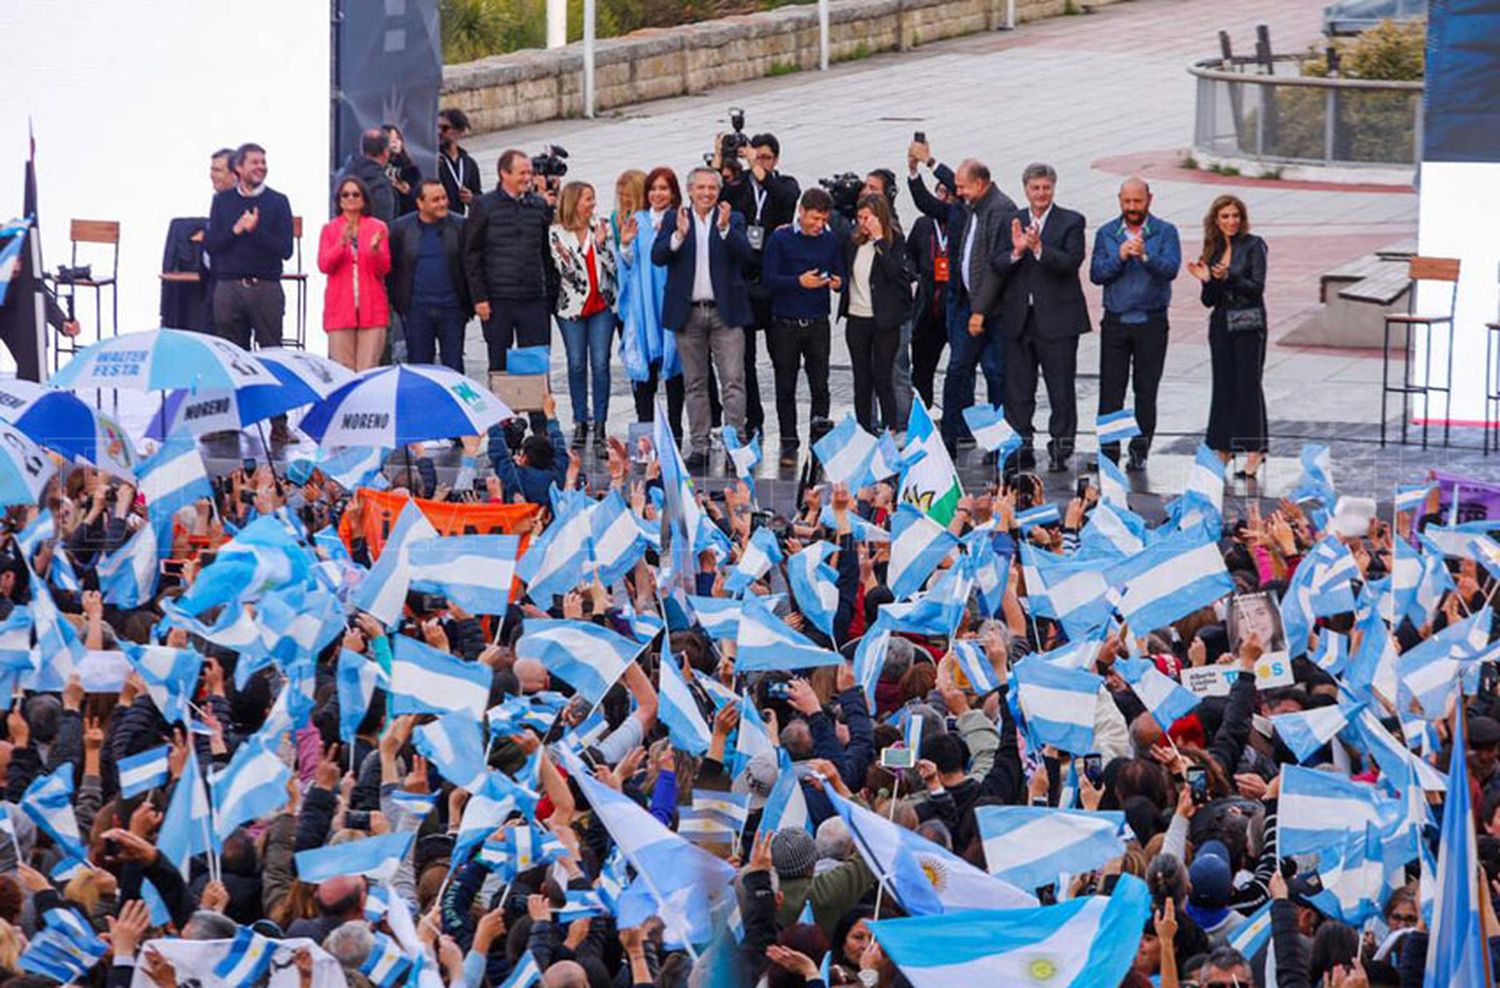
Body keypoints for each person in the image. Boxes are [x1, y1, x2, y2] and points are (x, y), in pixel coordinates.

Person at [991, 162, 1090, 474]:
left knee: (1060, 388)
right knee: (1018, 389)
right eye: (1035, 188)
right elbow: (997, 262)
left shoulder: (1071, 221)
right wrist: (1018, 251)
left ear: (1053, 188)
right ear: (1026, 189)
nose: (1041, 194)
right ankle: (1021, 446)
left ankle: (1061, 448)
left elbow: (1070, 262)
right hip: (1019, 318)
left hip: (1058, 319)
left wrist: (1038, 249)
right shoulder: (1012, 220)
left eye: (1046, 187)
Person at [651, 166, 752, 470]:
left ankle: (735, 443)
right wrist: (678, 236)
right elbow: (658, 256)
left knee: (733, 381)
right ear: (691, 190)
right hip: (689, 312)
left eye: (712, 188)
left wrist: (724, 230)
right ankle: (700, 445)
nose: (707, 193)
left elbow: (746, 256)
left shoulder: (732, 218)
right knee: (695, 382)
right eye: (701, 188)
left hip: (725, 312)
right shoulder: (675, 217)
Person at [1089, 177, 1181, 471]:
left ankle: (1140, 449)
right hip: (1116, 322)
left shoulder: (1165, 232)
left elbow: (1170, 270)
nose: (1132, 207)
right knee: (1111, 390)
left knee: (1146, 389)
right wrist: (1120, 255)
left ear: (1149, 200)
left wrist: (1144, 256)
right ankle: (1109, 450)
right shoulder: (1107, 233)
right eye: (1126, 201)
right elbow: (1097, 274)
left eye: (1137, 201)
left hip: (1151, 322)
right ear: (1120, 200)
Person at [723, 133, 800, 440]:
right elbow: (721, 198)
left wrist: (761, 171)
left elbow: (785, 198)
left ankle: (788, 427)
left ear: (775, 160)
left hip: (774, 285)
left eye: (766, 158)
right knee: (745, 361)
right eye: (757, 156)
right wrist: (723, 159)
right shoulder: (741, 185)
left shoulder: (785, 184)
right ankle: (753, 418)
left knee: (782, 359)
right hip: (745, 283)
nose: (760, 163)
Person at [936, 154, 1014, 454]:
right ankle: (949, 439)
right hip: (969, 305)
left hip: (991, 311)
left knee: (996, 375)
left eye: (963, 186)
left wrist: (979, 311)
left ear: (980, 184)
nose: (959, 192)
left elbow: (997, 267)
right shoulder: (974, 208)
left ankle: (1000, 445)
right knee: (957, 370)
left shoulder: (1001, 209)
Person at [1188, 194, 1268, 478]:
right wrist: (1208, 280)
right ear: (1216, 221)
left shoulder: (1254, 245)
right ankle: (1223, 445)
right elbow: (1208, 300)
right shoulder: (1212, 250)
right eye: (1225, 216)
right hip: (1221, 323)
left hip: (1248, 323)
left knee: (1248, 384)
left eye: (1235, 216)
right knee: (1223, 386)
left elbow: (1256, 287)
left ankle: (1255, 448)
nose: (1231, 221)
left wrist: (1229, 277)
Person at [762, 187, 844, 465]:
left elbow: (839, 271)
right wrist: (798, 281)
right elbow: (769, 279)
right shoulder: (781, 238)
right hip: (785, 323)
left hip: (817, 323)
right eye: (814, 219)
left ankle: (819, 442)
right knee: (785, 385)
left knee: (820, 385)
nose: (818, 225)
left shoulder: (829, 240)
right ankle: (788, 443)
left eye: (823, 220)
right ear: (801, 212)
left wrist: (836, 282)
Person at [462, 149, 553, 379]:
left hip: (533, 296)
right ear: (504, 173)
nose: (527, 178)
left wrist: (549, 292)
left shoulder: (538, 206)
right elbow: (472, 254)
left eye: (530, 173)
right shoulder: (483, 205)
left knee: (534, 360)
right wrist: (479, 297)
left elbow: (545, 251)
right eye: (522, 173)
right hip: (498, 298)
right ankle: (504, 413)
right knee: (499, 361)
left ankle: (538, 414)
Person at [204, 142, 294, 357]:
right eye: (254, 162)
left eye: (263, 162)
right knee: (231, 355)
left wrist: (255, 230)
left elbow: (285, 250)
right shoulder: (222, 201)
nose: (261, 167)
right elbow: (213, 245)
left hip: (265, 287)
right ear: (239, 167)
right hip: (229, 287)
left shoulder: (278, 201)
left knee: (271, 353)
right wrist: (236, 230)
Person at [618, 167, 687, 439]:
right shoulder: (638, 220)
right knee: (645, 372)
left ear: (673, 192)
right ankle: (645, 436)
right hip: (644, 305)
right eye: (653, 188)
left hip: (671, 302)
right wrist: (624, 245)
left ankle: (675, 433)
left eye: (664, 188)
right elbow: (629, 264)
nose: (658, 194)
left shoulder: (681, 218)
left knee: (674, 370)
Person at [549, 181, 617, 448]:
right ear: (574, 202)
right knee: (576, 363)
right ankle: (580, 420)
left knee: (600, 363)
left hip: (602, 307)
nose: (592, 204)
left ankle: (600, 423)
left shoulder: (602, 227)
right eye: (588, 199)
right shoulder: (556, 233)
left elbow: (613, 267)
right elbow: (569, 271)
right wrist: (590, 249)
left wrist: (600, 246)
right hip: (572, 309)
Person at [840, 194, 912, 435]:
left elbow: (896, 273)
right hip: (857, 316)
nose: (863, 223)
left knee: (883, 376)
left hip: (884, 319)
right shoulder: (853, 242)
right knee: (862, 379)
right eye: (859, 218)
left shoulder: (894, 241)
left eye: (868, 218)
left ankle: (892, 427)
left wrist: (880, 239)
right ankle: (863, 428)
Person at [388, 179, 471, 372]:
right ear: (420, 203)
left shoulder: (460, 226)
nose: (442, 203)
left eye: (444, 198)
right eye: (435, 200)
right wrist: (400, 304)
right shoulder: (400, 229)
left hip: (452, 310)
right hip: (417, 311)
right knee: (420, 367)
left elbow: (470, 266)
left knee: (454, 367)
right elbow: (393, 271)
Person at [318, 176, 392, 371]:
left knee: (368, 371)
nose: (351, 198)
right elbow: (324, 265)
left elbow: (384, 268)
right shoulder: (330, 229)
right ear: (339, 200)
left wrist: (374, 250)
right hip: (340, 310)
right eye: (346, 194)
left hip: (372, 310)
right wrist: (341, 244)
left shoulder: (378, 227)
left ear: (364, 198)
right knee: (343, 371)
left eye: (355, 194)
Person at [905, 170, 955, 410]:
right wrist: (915, 275)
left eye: (949, 193)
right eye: (940, 192)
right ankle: (922, 412)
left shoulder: (961, 220)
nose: (943, 198)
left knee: (959, 368)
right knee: (922, 366)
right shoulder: (923, 224)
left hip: (954, 305)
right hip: (927, 305)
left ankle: (957, 420)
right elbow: (910, 254)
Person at [335, 127, 395, 223]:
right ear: (385, 153)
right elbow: (383, 226)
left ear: (362, 150)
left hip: (340, 236)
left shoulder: (340, 177)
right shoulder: (381, 185)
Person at [437, 107, 484, 218]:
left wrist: (471, 199)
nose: (439, 132)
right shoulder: (433, 159)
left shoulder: (469, 163)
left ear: (459, 131)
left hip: (457, 222)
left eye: (444, 128)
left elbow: (479, 197)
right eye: (436, 127)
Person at [382, 123, 423, 217]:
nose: (395, 141)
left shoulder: (410, 168)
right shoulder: (377, 167)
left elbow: (419, 194)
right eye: (390, 138)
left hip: (406, 216)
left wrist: (408, 191)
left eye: (397, 138)